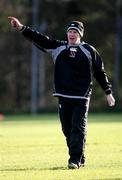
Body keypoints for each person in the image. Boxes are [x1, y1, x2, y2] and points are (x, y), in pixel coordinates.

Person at [8, 17, 115, 169]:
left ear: (80, 34)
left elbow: (99, 72)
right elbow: (41, 39)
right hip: (63, 96)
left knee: (78, 127)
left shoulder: (89, 51)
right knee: (67, 129)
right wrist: (21, 28)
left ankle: (74, 160)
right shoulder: (58, 47)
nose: (71, 34)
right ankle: (80, 157)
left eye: (75, 32)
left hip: (82, 96)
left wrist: (108, 92)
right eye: (70, 31)